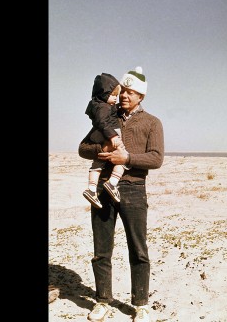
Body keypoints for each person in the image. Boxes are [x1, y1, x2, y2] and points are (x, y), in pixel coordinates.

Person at [78, 66, 164, 322]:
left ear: (141, 96)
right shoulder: (106, 116)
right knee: (101, 250)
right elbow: (83, 148)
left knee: (138, 250)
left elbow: (156, 158)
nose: (125, 96)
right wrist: (100, 149)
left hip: (134, 190)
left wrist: (127, 157)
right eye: (123, 91)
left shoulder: (152, 122)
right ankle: (103, 300)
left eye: (131, 92)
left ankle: (141, 305)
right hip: (104, 189)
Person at [82, 72, 130, 209]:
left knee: (98, 163)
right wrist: (113, 136)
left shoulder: (99, 105)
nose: (116, 99)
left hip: (101, 137)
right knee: (124, 158)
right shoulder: (103, 107)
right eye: (113, 95)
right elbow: (103, 122)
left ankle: (91, 190)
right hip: (109, 137)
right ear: (103, 94)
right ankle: (113, 182)